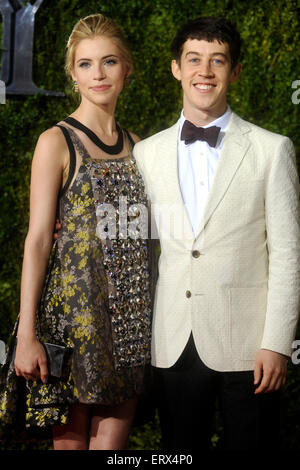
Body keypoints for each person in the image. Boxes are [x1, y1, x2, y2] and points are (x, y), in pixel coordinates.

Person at [133, 16, 300, 450]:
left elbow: (289, 253)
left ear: (235, 71)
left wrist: (278, 343)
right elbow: (133, 237)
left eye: (218, 61)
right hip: (173, 340)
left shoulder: (272, 149)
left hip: (251, 347)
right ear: (176, 68)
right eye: (194, 60)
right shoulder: (145, 153)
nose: (204, 72)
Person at [0, 13, 152, 450]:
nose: (98, 74)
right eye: (85, 64)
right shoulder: (56, 141)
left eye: (108, 62)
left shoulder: (141, 148)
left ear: (127, 68)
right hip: (70, 324)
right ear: (72, 73)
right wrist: (27, 334)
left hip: (127, 325)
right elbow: (37, 241)